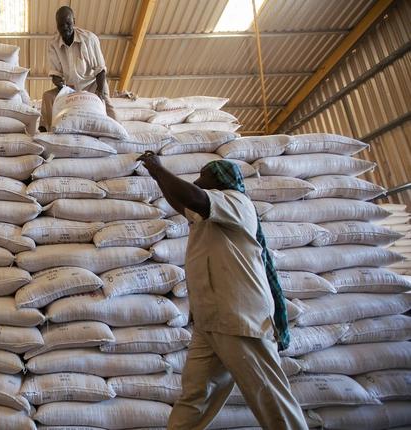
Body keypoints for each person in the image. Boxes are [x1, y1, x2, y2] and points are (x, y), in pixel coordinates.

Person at [138, 152, 308, 430]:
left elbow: (193, 197)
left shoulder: (235, 202)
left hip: (241, 319)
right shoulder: (208, 213)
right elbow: (184, 203)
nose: (198, 179)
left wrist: (160, 169)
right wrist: (157, 176)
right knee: (196, 396)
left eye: (204, 174)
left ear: (219, 179)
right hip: (210, 320)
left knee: (270, 397)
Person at [40, 6, 115, 131]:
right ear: (57, 26)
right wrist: (58, 82)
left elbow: (100, 69)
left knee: (108, 109)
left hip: (93, 85)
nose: (64, 27)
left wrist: (100, 93)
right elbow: (55, 73)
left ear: (74, 21)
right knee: (48, 96)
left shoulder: (89, 39)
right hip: (70, 89)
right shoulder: (53, 44)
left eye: (68, 23)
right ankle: (45, 131)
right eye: (61, 25)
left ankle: (118, 134)